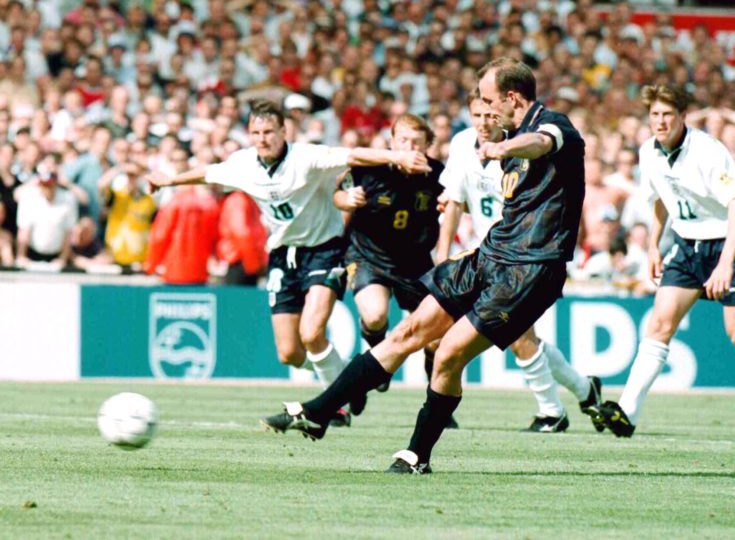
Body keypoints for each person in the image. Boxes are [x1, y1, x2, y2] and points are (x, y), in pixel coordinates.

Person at [261, 57, 586, 473]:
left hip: (532, 269)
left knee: (448, 353)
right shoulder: (503, 135)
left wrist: (502, 147)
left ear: (512, 97)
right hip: (491, 253)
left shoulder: (553, 127)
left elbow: (544, 142)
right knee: (408, 331)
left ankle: (418, 455)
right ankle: (318, 411)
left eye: (489, 101)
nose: (484, 112)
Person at [147, 100, 431, 426]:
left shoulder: (306, 157)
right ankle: (349, 379)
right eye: (256, 132)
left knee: (312, 333)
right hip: (283, 255)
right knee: (290, 354)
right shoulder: (244, 164)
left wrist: (396, 155)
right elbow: (207, 174)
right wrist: (168, 182)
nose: (262, 138)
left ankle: (334, 407)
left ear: (284, 131)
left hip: (326, 251)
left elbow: (352, 155)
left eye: (269, 131)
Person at [436, 88, 602, 433]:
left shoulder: (522, 147)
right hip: (483, 254)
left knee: (520, 337)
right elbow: (454, 200)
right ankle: (584, 390)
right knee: (522, 337)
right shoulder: (462, 144)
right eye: (477, 115)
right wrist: (442, 254)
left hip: (521, 256)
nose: (484, 122)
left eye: (489, 114)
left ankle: (552, 412)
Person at [597, 84, 735, 438]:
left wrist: (724, 265)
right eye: (655, 114)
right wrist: (655, 246)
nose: (660, 121)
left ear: (682, 116)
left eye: (667, 115)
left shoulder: (707, 150)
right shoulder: (649, 152)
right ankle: (626, 412)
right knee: (659, 324)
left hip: (726, 244)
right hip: (687, 246)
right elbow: (660, 199)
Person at [334, 114, 448, 420]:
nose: (409, 148)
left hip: (416, 262)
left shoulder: (438, 174)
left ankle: (435, 400)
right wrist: (345, 198)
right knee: (374, 315)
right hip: (368, 255)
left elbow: (455, 204)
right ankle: (378, 365)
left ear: (427, 146)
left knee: (436, 338)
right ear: (392, 142)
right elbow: (335, 191)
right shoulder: (368, 168)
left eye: (417, 142)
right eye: (403, 141)